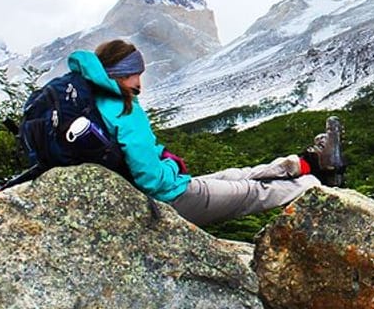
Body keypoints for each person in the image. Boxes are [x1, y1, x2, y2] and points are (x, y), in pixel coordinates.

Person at [66, 38, 345, 227]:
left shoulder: (92, 99)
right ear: (120, 73)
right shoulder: (123, 108)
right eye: (134, 73)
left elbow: (128, 154)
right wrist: (170, 166)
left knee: (233, 175)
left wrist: (161, 158)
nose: (139, 82)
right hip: (168, 198)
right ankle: (317, 183)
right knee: (249, 192)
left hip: (154, 191)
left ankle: (304, 162)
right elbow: (152, 180)